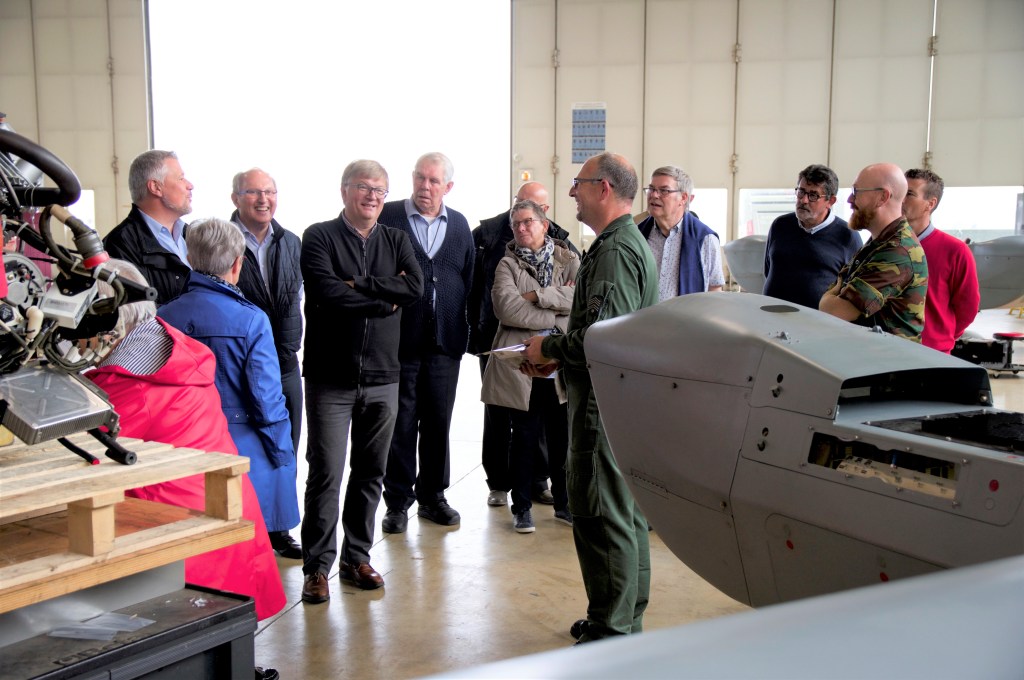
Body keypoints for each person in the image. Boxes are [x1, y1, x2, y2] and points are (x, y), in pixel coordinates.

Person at [85, 260, 286, 624]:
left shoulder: (127, 388)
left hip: (186, 547)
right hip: (223, 516)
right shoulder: (174, 347)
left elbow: (85, 456)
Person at [522, 152, 658, 643]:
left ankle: (612, 630)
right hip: (616, 399)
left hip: (604, 404)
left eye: (578, 183)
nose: (571, 192)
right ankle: (621, 618)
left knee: (602, 514)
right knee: (621, 512)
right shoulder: (621, 244)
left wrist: (548, 348)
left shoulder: (616, 251)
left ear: (603, 188)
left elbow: (603, 339)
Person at [298, 160, 423, 602]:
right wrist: (384, 300)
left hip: (384, 376)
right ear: (344, 191)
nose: (372, 196)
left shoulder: (397, 239)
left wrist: (362, 284)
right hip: (330, 378)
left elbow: (415, 288)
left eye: (380, 190)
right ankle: (317, 567)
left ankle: (356, 557)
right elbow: (327, 292)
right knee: (326, 473)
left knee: (371, 472)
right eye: (364, 187)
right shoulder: (318, 236)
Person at [159, 218, 301, 559]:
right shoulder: (251, 319)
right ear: (238, 263)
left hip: (182, 447)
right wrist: (283, 454)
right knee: (245, 555)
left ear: (190, 259)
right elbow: (267, 402)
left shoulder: (163, 316)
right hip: (243, 449)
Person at [377, 152, 474, 533]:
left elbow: (468, 279)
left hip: (444, 343)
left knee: (438, 423)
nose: (425, 186)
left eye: (434, 181)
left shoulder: (460, 224)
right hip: (399, 343)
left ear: (448, 187)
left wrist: (466, 329)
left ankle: (433, 497)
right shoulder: (389, 217)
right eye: (420, 177)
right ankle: (397, 503)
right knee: (400, 425)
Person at [469, 181, 577, 508]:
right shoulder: (491, 241)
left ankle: (543, 487)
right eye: (519, 211)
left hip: (555, 353)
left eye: (532, 214)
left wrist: (535, 297)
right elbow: (504, 306)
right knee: (506, 422)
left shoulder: (568, 253)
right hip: (507, 348)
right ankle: (503, 487)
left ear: (545, 216)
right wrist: (556, 310)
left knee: (551, 428)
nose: (522, 223)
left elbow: (580, 300)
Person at [230, 167, 304, 559]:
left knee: (286, 447)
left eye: (270, 192)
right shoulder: (223, 240)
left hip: (285, 361)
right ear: (235, 199)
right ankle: (246, 528)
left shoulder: (291, 241)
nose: (264, 200)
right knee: (248, 450)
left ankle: (279, 528)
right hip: (242, 363)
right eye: (254, 192)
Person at [819, 163, 928, 341]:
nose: (850, 200)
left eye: (856, 191)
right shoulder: (879, 242)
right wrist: (833, 297)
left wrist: (826, 299)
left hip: (887, 358)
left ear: (882, 197)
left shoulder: (898, 251)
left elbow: (835, 311)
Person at [903, 168, 980, 353]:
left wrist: (940, 337)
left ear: (930, 204)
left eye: (910, 194)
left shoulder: (956, 251)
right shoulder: (883, 245)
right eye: (900, 192)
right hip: (886, 351)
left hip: (932, 355)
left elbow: (967, 308)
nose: (901, 199)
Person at [763, 164, 862, 308]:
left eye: (813, 195)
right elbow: (768, 270)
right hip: (771, 316)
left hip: (818, 320)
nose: (804, 200)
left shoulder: (848, 236)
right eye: (801, 192)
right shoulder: (780, 225)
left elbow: (854, 290)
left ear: (830, 201)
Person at [103, 150, 193, 304]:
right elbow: (136, 311)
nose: (190, 185)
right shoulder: (120, 245)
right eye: (181, 178)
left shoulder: (191, 234)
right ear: (155, 187)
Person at [635, 166, 723, 300]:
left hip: (688, 313)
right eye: (651, 189)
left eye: (664, 190)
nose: (654, 195)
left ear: (683, 198)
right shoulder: (637, 234)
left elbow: (714, 288)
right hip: (644, 313)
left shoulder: (705, 239)